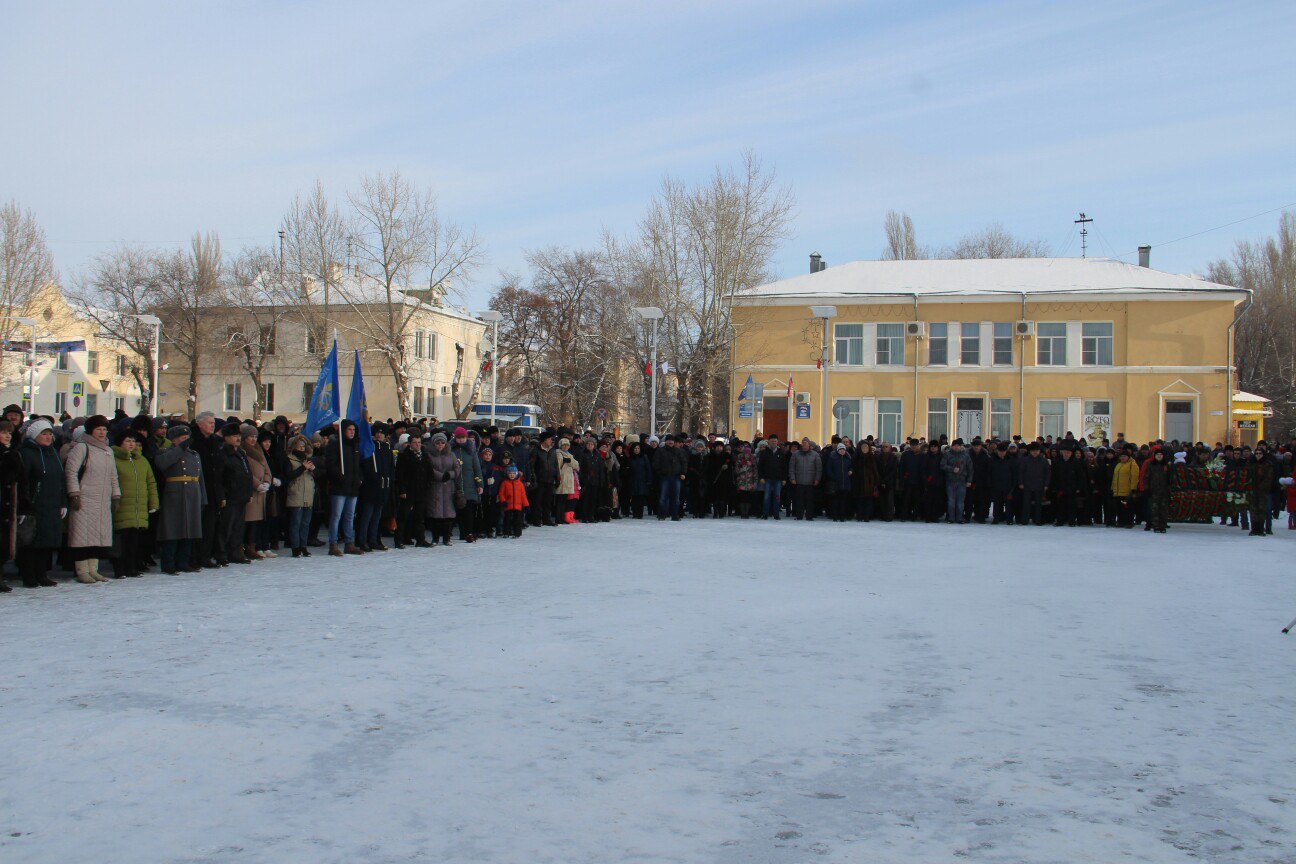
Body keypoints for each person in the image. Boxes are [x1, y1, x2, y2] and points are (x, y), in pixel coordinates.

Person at [63, 415, 121, 583]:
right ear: (90, 431)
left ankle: (93, 569)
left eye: (104, 429)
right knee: (82, 537)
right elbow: (71, 472)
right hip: (84, 499)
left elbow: (113, 476)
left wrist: (115, 495)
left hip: (102, 500)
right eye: (98, 429)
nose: (102, 432)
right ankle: (82, 571)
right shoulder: (82, 448)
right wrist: (74, 494)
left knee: (97, 537)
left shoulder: (108, 451)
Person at [16, 419, 65, 588]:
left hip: (52, 503)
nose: (48, 437)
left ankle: (42, 574)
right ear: (35, 435)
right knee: (31, 542)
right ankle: (29, 575)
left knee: (46, 542)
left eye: (50, 434)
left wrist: (63, 502)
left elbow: (61, 480)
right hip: (34, 504)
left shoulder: (53, 453)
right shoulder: (27, 453)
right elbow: (24, 481)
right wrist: (25, 504)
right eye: (44, 434)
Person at [153, 423, 205, 573]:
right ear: (174, 440)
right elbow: (163, 463)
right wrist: (179, 449)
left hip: (193, 493)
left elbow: (200, 478)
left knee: (190, 529)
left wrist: (202, 498)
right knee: (172, 530)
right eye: (182, 438)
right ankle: (169, 563)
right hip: (175, 494)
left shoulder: (194, 454)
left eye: (187, 438)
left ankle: (184, 561)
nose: (186, 441)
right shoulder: (165, 452)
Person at [111, 430, 158, 578]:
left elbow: (150, 482)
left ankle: (131, 567)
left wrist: (153, 501)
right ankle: (120, 568)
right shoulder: (114, 459)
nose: (131, 444)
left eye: (133, 441)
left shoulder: (141, 460)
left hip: (139, 507)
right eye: (127, 441)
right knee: (121, 540)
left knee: (135, 540)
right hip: (122, 505)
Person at [326, 419, 363, 555]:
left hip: (352, 486)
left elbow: (358, 465)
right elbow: (331, 464)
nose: (352, 432)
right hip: (340, 486)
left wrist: (359, 478)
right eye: (349, 430)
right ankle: (333, 543)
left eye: (353, 430)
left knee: (349, 516)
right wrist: (339, 477)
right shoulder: (335, 445)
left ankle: (349, 542)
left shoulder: (355, 445)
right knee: (336, 515)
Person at [356, 424, 394, 551]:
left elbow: (390, 467)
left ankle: (373, 539)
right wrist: (374, 478)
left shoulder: (387, 448)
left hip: (383, 487)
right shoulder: (369, 448)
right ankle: (362, 540)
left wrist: (389, 480)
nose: (379, 435)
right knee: (366, 515)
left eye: (382, 433)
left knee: (377, 516)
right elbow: (366, 466)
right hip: (371, 487)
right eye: (377, 432)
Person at [393, 432, 432, 547]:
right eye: (414, 442)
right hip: (408, 490)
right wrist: (402, 490)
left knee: (419, 516)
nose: (417, 445)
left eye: (419, 442)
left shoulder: (424, 455)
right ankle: (399, 539)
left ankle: (420, 539)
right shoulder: (404, 456)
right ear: (410, 444)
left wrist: (428, 484)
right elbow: (400, 475)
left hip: (421, 490)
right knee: (403, 516)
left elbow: (429, 472)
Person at [241, 425, 274, 560]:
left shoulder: (258, 449)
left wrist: (267, 481)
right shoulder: (243, 450)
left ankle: (252, 546)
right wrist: (257, 484)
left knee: (256, 522)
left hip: (261, 491)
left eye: (255, 437)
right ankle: (244, 547)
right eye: (250, 437)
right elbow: (245, 471)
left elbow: (267, 469)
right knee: (247, 521)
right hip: (251, 490)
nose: (253, 439)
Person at [283, 433, 317, 557]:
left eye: (303, 447)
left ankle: (304, 546)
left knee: (305, 523)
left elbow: (317, 476)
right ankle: (295, 547)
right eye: (299, 447)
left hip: (308, 494)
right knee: (295, 523)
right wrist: (302, 468)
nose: (302, 449)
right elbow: (288, 476)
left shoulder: (308, 459)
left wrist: (313, 470)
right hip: (295, 494)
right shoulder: (289, 459)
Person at [426, 432, 460, 545]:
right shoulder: (429, 455)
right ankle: (435, 538)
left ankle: (447, 538)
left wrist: (450, 474)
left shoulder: (451, 455)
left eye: (442, 442)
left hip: (449, 487)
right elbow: (429, 469)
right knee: (436, 514)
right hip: (435, 486)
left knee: (448, 514)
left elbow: (457, 468)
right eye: (438, 443)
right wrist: (441, 476)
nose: (440, 445)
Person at [0, 421, 22, 592]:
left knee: (4, 542)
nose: (8, 435)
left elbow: (20, 479)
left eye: (10, 432)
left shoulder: (13, 454)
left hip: (8, 502)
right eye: (4, 432)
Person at [451, 427, 483, 541]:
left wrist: (480, 484)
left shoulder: (471, 450)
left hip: (470, 485)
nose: (461, 440)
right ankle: (462, 532)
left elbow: (477, 468)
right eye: (458, 438)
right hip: (456, 485)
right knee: (459, 510)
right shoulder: (451, 450)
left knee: (469, 511)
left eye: (463, 437)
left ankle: (469, 532)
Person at [788, 438, 822, 521]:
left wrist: (817, 479)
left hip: (811, 482)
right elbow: (791, 467)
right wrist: (792, 478)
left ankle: (809, 516)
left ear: (809, 445)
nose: (804, 444)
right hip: (799, 481)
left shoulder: (815, 455)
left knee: (810, 500)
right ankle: (799, 515)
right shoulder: (795, 454)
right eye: (803, 443)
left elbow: (819, 468)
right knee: (799, 500)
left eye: (805, 443)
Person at [939, 438, 972, 524]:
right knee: (951, 500)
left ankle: (959, 518)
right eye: (955, 446)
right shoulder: (947, 455)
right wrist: (951, 469)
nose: (956, 447)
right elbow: (942, 465)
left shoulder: (966, 456)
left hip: (962, 481)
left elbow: (970, 469)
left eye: (958, 446)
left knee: (960, 501)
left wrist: (969, 480)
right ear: (952, 446)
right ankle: (951, 518)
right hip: (950, 480)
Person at [1109, 449, 1139, 528]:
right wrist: (1113, 488)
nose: (1122, 458)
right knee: (1119, 508)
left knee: (1127, 508)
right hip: (1118, 491)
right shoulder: (1118, 465)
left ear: (1128, 457)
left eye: (1124, 456)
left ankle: (1129, 522)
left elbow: (1134, 477)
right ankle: (1120, 521)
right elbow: (1115, 478)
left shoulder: (1132, 464)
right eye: (1121, 456)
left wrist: (1133, 489)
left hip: (1127, 491)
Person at [498, 463, 530, 537]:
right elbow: (501, 493)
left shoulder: (520, 484)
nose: (512, 475)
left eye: (513, 473)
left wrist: (526, 505)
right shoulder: (505, 483)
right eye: (510, 473)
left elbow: (523, 496)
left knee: (518, 520)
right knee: (507, 520)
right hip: (508, 505)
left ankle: (517, 533)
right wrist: (503, 501)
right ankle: (506, 532)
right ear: (507, 474)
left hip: (518, 506)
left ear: (516, 474)